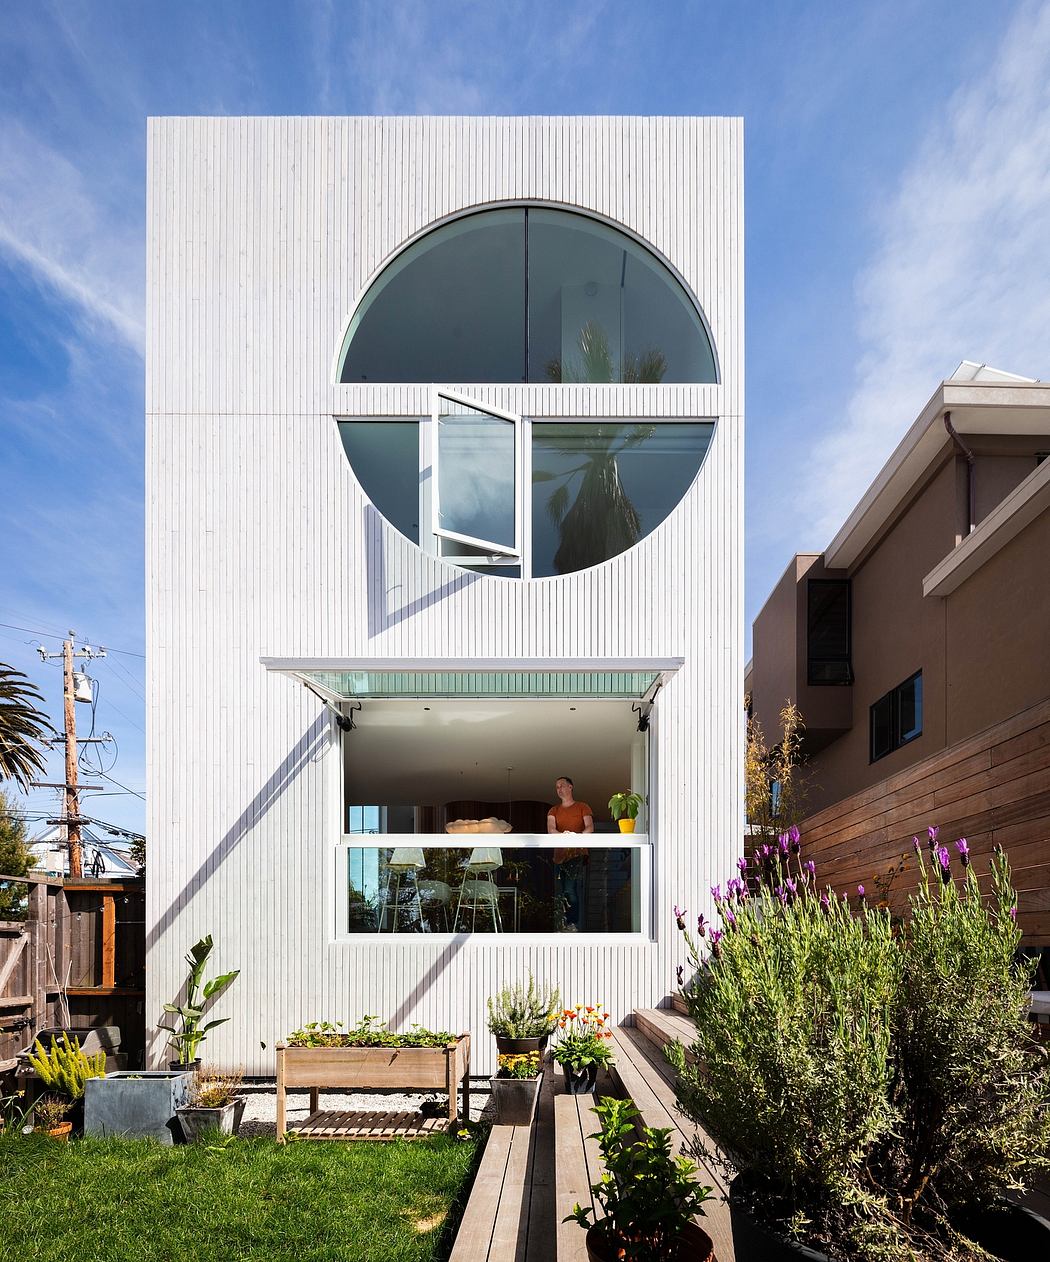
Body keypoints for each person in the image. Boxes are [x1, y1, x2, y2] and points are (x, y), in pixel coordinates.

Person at [547, 777, 592, 930]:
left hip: (576, 853)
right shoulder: (554, 810)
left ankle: (572, 924)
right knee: (560, 891)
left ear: (571, 787)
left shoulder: (582, 807)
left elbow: (589, 828)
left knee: (570, 889)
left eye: (562, 785)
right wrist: (563, 836)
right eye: (556, 787)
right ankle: (562, 924)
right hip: (559, 857)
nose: (559, 789)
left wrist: (576, 838)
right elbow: (551, 829)